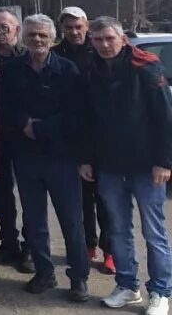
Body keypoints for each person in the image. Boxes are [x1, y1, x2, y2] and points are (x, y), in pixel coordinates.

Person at [81, 17, 172, 315]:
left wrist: (163, 161)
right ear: (91, 41)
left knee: (154, 232)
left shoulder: (145, 67)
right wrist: (87, 159)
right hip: (109, 166)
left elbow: (164, 118)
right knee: (118, 231)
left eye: (109, 38)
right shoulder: (91, 70)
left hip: (147, 167)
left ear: (122, 38)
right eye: (98, 39)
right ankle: (128, 286)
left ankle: (160, 292)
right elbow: (88, 121)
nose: (105, 45)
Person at [0, 14, 89, 302]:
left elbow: (76, 116)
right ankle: (44, 272)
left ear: (53, 38)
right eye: (32, 34)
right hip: (26, 158)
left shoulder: (68, 70)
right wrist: (23, 123)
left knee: (71, 221)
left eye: (43, 35)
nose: (37, 39)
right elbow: (4, 108)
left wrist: (39, 128)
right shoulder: (12, 70)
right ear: (24, 37)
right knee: (35, 220)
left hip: (61, 157)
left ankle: (78, 278)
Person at [53, 5, 113, 274]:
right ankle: (87, 245)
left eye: (78, 26)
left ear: (87, 26)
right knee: (79, 200)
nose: (74, 32)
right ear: (62, 29)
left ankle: (109, 250)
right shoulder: (55, 55)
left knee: (105, 199)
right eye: (68, 27)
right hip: (70, 138)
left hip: (101, 138)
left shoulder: (99, 52)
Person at [0, 8, 32, 272]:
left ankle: (30, 246)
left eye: (5, 27)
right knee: (1, 193)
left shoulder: (28, 58)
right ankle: (9, 241)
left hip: (22, 135)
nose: (0, 33)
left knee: (29, 194)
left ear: (17, 29)